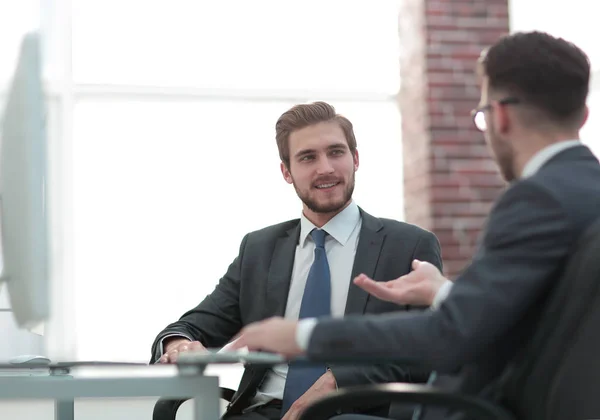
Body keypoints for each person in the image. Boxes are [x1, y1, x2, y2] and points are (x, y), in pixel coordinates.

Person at [231, 31, 600, 420]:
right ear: (582, 114)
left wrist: (304, 336)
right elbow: (522, 318)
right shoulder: (585, 193)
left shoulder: (538, 199)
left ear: (501, 115)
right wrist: (443, 292)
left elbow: (451, 334)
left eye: (481, 115)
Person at [151, 101, 442, 420]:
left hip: (352, 413)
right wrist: (179, 343)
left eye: (336, 152)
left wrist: (335, 383)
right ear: (286, 172)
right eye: (308, 157)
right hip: (263, 412)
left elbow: (425, 348)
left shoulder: (408, 245)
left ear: (355, 159)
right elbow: (197, 323)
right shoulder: (260, 248)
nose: (326, 168)